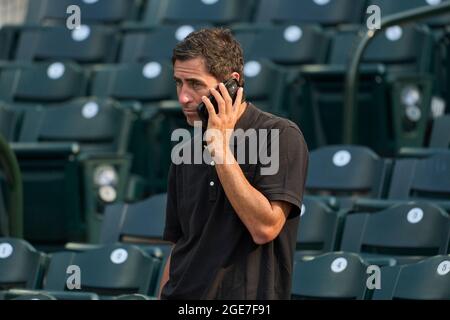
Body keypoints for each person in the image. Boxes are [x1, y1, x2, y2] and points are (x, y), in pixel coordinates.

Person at [159, 28, 309, 300]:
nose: (183, 97)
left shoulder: (280, 136)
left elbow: (265, 228)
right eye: (178, 83)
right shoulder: (184, 151)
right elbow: (181, 244)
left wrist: (220, 149)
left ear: (231, 84)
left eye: (195, 84)